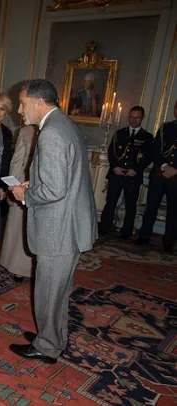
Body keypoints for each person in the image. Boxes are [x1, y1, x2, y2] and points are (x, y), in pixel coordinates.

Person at [9, 79, 97, 363]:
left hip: (59, 229)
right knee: (58, 291)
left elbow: (54, 190)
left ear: (38, 102)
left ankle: (47, 347)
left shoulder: (51, 133)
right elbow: (61, 179)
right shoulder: (63, 124)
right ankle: (52, 338)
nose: (20, 109)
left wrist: (26, 193)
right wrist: (34, 182)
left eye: (22, 103)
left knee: (49, 291)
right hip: (67, 225)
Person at [99, 106, 153, 240]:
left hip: (132, 176)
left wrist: (136, 170)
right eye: (131, 117)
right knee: (110, 202)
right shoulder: (119, 133)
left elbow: (148, 156)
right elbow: (111, 152)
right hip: (117, 174)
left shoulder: (147, 137)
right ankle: (104, 228)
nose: (134, 120)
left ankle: (126, 232)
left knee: (130, 204)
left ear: (142, 118)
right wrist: (115, 167)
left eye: (137, 117)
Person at [136, 100, 177, 253]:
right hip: (159, 174)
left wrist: (175, 170)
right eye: (176, 108)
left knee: (174, 212)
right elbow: (155, 150)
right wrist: (165, 166)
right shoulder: (165, 128)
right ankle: (143, 237)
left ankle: (168, 243)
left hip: (176, 179)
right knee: (151, 207)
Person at [0, 124, 38, 281]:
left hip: (31, 186)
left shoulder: (32, 130)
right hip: (30, 186)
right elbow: (17, 160)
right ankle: (24, 268)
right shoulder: (30, 130)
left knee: (28, 229)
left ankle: (26, 268)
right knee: (24, 228)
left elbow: (17, 161)